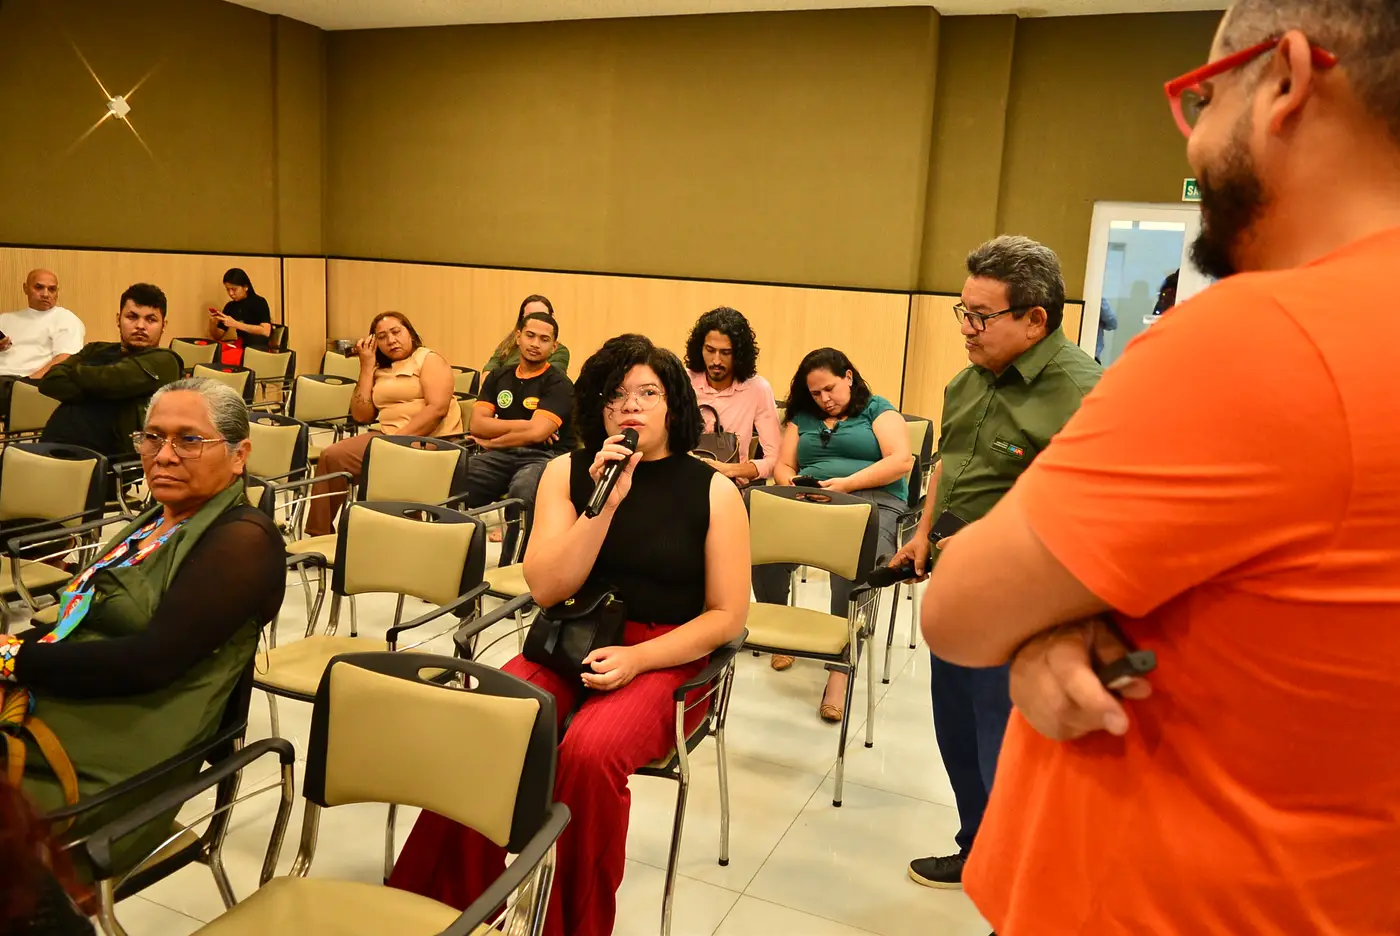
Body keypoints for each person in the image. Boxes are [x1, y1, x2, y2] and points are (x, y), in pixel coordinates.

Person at [924, 3, 1400, 933]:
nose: (1193, 142)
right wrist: (1073, 616)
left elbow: (959, 610)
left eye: (1203, 99)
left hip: (1170, 897)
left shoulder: (1262, 339)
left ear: (1287, 79)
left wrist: (1041, 622)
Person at [390, 335, 749, 936]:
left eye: (648, 393)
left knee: (589, 751)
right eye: (615, 396)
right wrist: (604, 504)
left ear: (673, 404)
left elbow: (726, 617)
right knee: (489, 718)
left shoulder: (712, 490)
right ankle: (451, 909)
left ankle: (570, 925)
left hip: (666, 653)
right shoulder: (569, 473)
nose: (630, 406)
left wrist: (638, 659)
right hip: (570, 637)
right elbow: (549, 587)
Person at [0, 378, 284, 870]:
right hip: (69, 695)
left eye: (189, 440)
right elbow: (82, 616)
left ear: (239, 455)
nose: (164, 456)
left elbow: (150, 662)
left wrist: (12, 658)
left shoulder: (244, 541)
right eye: (153, 437)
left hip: (119, 744)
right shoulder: (159, 517)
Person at [889, 235, 1101, 891]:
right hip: (960, 593)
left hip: (1026, 614)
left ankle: (1023, 885)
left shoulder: (1085, 395)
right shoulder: (967, 381)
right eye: (964, 311)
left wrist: (998, 552)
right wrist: (924, 534)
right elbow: (947, 463)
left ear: (1035, 319)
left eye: (981, 316)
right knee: (958, 734)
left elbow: (1094, 519)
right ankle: (979, 848)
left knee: (1010, 750)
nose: (966, 328)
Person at [755, 348, 912, 718]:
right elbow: (784, 465)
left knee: (853, 566)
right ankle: (782, 633)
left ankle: (840, 668)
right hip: (813, 498)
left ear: (849, 377)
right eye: (815, 393)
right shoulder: (802, 418)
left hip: (871, 500)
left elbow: (900, 461)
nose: (824, 399)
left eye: (830, 389)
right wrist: (794, 484)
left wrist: (846, 484)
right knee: (764, 550)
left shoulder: (877, 409)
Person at [304, 311, 463, 536]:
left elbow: (437, 409)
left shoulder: (428, 359)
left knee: (391, 465)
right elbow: (361, 415)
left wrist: (394, 445)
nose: (391, 340)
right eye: (382, 337)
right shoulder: (380, 370)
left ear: (410, 333)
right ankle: (319, 535)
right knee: (332, 457)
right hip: (386, 438)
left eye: (396, 332)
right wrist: (366, 367)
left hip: (431, 440)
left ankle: (404, 536)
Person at [464, 308, 573, 563]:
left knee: (523, 490)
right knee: (454, 478)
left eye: (544, 339)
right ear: (518, 337)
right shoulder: (498, 377)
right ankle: (455, 565)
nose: (535, 344)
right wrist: (526, 426)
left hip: (543, 458)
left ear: (554, 347)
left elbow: (538, 433)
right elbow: (477, 424)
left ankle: (512, 569)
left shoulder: (559, 384)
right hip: (500, 456)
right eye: (530, 335)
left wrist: (492, 439)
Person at [40, 282, 183, 458]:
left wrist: (77, 374)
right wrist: (102, 389)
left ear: (163, 325)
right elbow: (50, 382)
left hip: (107, 461)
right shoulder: (95, 349)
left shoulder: (165, 361)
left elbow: (110, 381)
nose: (140, 326)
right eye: (132, 317)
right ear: (118, 319)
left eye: (151, 320)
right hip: (50, 447)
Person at [684, 306, 782, 488]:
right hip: (683, 479)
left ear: (739, 354)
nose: (716, 361)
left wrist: (731, 469)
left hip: (730, 486)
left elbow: (775, 459)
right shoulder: (683, 380)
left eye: (725, 353)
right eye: (710, 350)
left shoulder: (758, 389)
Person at [0, 270, 85, 413]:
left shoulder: (65, 319)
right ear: (25, 288)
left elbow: (66, 359)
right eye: (39, 287)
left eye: (52, 289)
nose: (45, 294)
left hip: (24, 383)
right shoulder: (5, 319)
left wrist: (25, 383)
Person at [481, 294, 571, 378]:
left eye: (542, 315)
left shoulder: (559, 351)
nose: (536, 321)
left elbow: (551, 378)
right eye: (530, 316)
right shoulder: (508, 343)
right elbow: (490, 368)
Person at [207, 267, 273, 352]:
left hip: (258, 347)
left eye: (234, 289)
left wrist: (235, 324)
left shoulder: (259, 302)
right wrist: (213, 323)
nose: (231, 293)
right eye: (228, 289)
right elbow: (218, 337)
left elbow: (266, 331)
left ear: (245, 287)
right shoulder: (230, 306)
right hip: (241, 345)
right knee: (214, 351)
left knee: (227, 356)